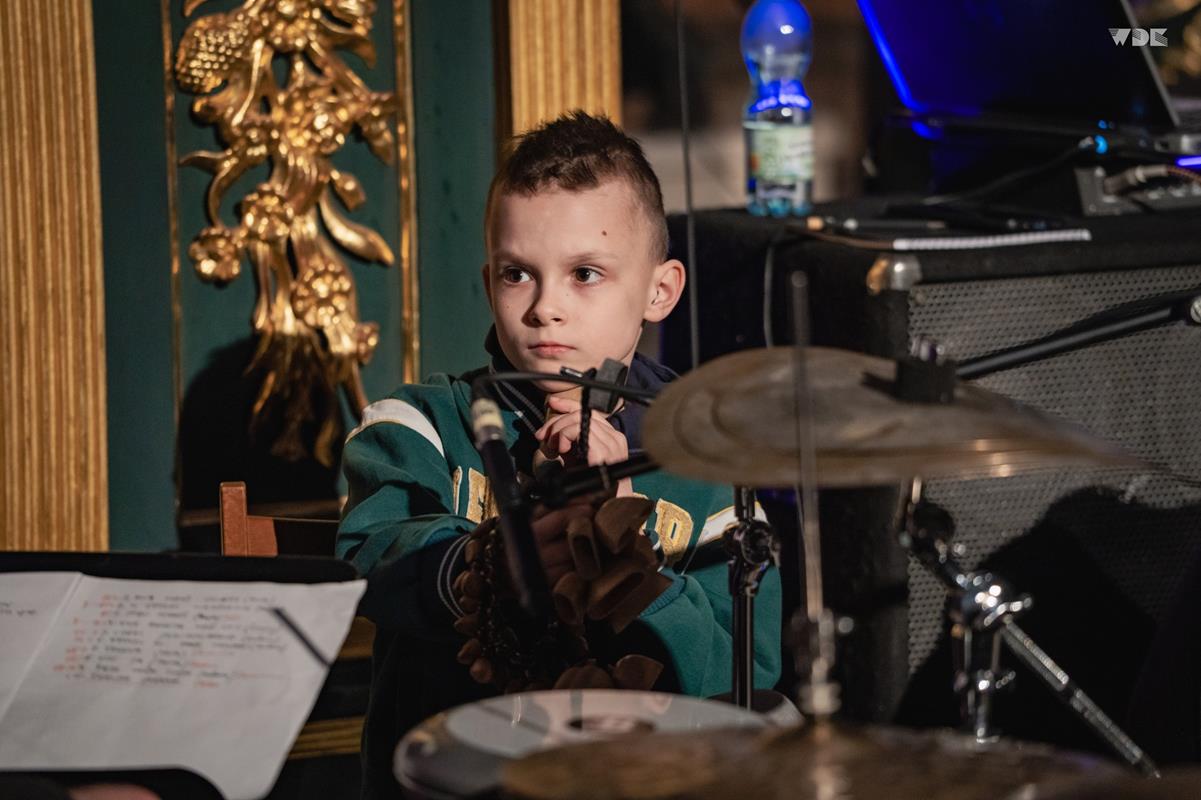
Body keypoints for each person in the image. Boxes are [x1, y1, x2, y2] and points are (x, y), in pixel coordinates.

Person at [337, 110, 781, 799]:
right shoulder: (419, 423)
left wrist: (632, 563)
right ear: (489, 281)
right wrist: (495, 556)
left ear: (659, 291)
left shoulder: (709, 467)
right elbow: (370, 558)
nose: (546, 307)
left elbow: (745, 676)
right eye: (517, 273)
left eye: (585, 273)